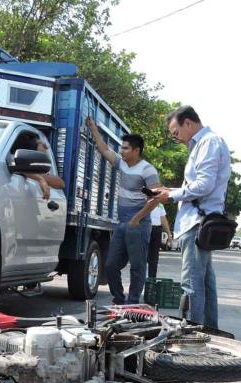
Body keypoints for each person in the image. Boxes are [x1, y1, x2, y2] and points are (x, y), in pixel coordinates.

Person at [154, 106, 231, 329]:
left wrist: (172, 196)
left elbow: (204, 185)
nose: (175, 138)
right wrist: (171, 190)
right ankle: (209, 332)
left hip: (197, 222)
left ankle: (193, 335)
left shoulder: (207, 143)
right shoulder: (206, 143)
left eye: (175, 132)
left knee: (192, 284)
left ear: (188, 123)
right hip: (201, 220)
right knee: (205, 283)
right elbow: (201, 184)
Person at [86, 116, 159, 304]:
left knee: (137, 266)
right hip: (122, 223)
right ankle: (119, 299)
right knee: (110, 264)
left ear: (137, 150)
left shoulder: (148, 170)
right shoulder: (122, 164)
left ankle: (132, 302)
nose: (122, 150)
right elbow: (103, 149)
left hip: (139, 223)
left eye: (126, 148)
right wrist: (93, 127)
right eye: (122, 147)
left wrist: (137, 218)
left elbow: (156, 198)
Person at [147, 203, 172, 279]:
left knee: (154, 258)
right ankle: (139, 281)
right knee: (143, 256)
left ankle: (152, 280)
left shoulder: (159, 204)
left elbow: (163, 219)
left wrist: (169, 234)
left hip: (157, 230)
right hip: (146, 228)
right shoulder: (143, 200)